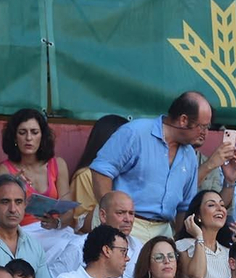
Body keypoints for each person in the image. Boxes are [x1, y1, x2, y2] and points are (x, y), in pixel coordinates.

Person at [89, 93, 211, 245]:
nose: (205, 133)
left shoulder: (190, 155)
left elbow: (185, 207)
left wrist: (181, 242)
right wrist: (111, 217)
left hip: (163, 230)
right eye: (202, 126)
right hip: (124, 223)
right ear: (183, 120)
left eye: (207, 127)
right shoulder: (135, 132)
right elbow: (102, 172)